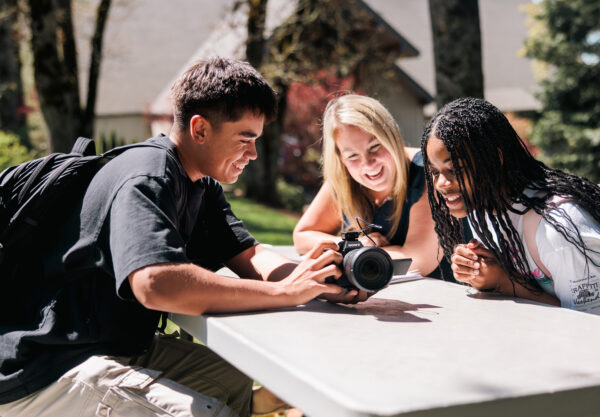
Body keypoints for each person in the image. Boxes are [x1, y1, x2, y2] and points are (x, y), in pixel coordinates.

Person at [0, 58, 352, 417]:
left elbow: (249, 254)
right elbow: (156, 283)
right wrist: (284, 293)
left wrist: (321, 278)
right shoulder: (146, 178)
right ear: (200, 129)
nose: (253, 154)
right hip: (47, 369)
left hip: (111, 345)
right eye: (244, 139)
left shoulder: (200, 183)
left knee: (239, 382)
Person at [421, 97, 600, 314]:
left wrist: (504, 282)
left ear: (495, 159)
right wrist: (481, 271)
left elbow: (587, 327)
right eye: (434, 172)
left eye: (455, 169)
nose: (441, 184)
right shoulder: (486, 213)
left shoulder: (558, 229)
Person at [293, 94, 452, 293]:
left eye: (375, 147)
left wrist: (356, 253)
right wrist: (356, 246)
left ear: (392, 137)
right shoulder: (343, 178)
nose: (368, 164)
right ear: (341, 158)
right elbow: (302, 236)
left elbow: (417, 259)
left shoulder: (428, 172)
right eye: (352, 155)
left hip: (440, 299)